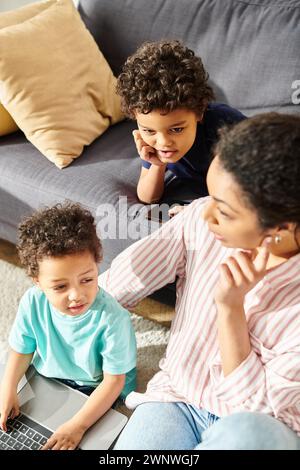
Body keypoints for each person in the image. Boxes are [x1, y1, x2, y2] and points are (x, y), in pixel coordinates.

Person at [98, 113, 300, 450]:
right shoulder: (199, 220)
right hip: (178, 398)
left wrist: (230, 309)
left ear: (280, 229)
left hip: (260, 424)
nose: (205, 213)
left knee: (248, 434)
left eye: (224, 210)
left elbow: (254, 411)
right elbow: (115, 285)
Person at [0, 203, 136, 450]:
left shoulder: (113, 319)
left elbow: (114, 382)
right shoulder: (32, 301)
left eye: (87, 280)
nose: (77, 295)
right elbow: (21, 350)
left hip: (95, 388)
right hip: (48, 377)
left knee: (74, 441)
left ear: (97, 267)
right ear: (38, 282)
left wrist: (78, 426)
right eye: (60, 287)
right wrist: (7, 389)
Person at [116, 39, 245, 211]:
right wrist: (158, 164)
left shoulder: (225, 124)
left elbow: (252, 188)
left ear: (199, 113)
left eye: (176, 129)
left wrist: (195, 210)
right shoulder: (154, 143)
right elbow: (148, 198)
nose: (163, 142)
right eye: (148, 130)